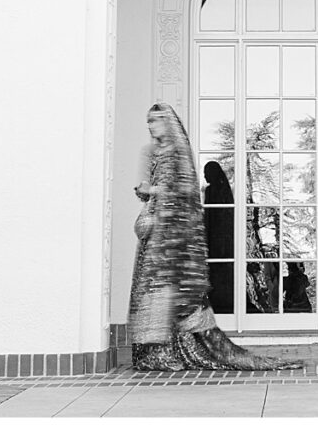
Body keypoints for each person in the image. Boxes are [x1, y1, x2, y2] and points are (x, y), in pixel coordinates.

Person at [128, 102, 301, 371]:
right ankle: (155, 353)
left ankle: (179, 350)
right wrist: (144, 191)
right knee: (152, 291)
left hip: (173, 235)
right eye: (149, 121)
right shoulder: (150, 152)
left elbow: (185, 190)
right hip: (155, 234)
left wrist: (154, 190)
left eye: (156, 120)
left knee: (176, 291)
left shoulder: (178, 153)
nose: (151, 126)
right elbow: (150, 188)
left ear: (168, 123)